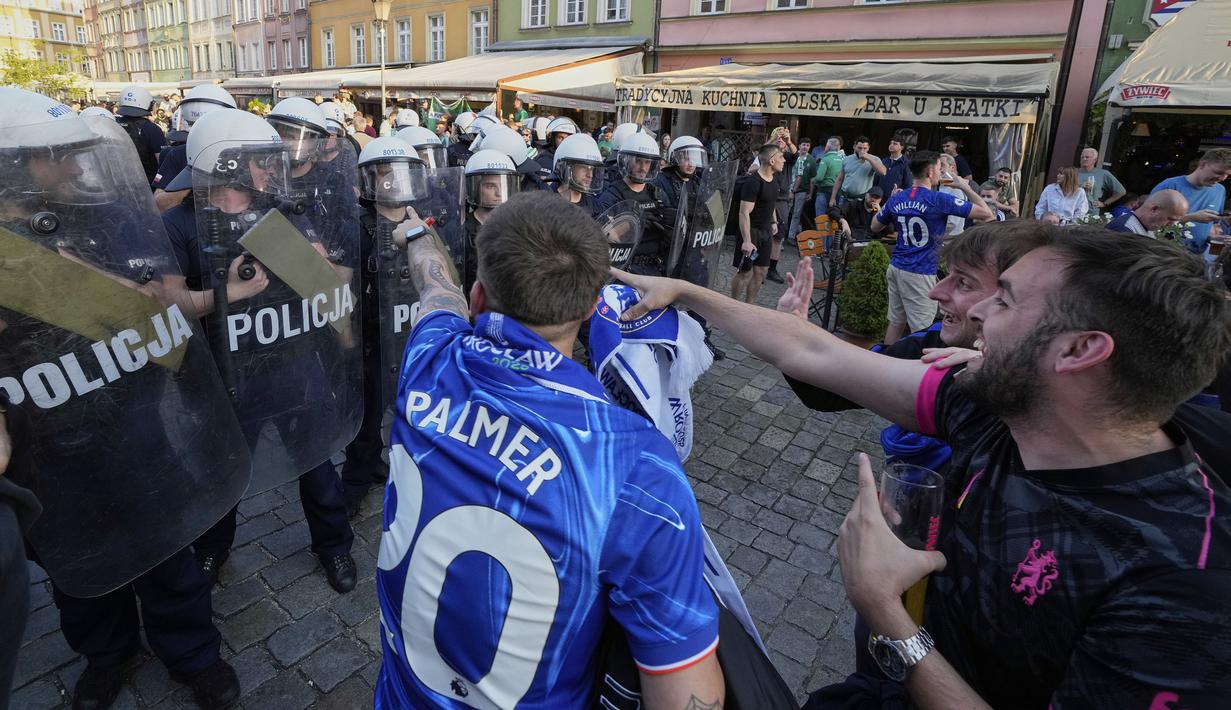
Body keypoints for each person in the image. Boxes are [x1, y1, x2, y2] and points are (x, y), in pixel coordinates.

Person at [615, 225, 1231, 709]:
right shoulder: (993, 408)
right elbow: (811, 350)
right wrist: (686, 291)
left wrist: (886, 612)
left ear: (1078, 350)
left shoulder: (1184, 584)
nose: (979, 312)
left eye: (1006, 299)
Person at [375, 191, 724, 708]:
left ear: (478, 298)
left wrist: (417, 235)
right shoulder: (637, 467)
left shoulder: (430, 357)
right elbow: (684, 693)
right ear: (590, 310)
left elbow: (435, 289)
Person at [2, 86, 241, 710]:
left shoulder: (100, 215)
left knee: (166, 543)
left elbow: (157, 301)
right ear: (19, 165)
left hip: (129, 412)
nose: (76, 168)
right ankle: (107, 654)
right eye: (61, 156)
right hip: (41, 433)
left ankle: (194, 652)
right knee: (79, 557)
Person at [163, 106, 359, 595]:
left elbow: (328, 288)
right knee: (224, 472)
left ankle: (334, 545)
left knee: (317, 464)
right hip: (226, 373)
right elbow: (168, 305)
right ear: (228, 163)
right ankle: (212, 551)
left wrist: (318, 265)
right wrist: (231, 293)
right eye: (259, 160)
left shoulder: (279, 213)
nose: (271, 169)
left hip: (292, 361)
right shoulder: (182, 224)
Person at [872, 150, 994, 344]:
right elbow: (988, 214)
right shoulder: (938, 199)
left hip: (896, 267)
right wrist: (965, 186)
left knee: (895, 322)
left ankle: (883, 358)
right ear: (929, 172)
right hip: (920, 272)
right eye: (939, 168)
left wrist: (890, 202)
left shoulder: (898, 197)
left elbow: (874, 226)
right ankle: (915, 364)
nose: (940, 172)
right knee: (922, 332)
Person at [152, 84, 236, 213]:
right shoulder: (178, 154)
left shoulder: (241, 154)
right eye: (194, 125)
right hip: (191, 218)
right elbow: (159, 204)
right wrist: (191, 178)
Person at [594, 132, 668, 276]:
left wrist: (671, 225)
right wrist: (630, 224)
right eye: (638, 161)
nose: (643, 168)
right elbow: (601, 236)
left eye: (647, 162)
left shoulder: (658, 195)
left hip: (655, 269)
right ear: (626, 161)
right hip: (623, 270)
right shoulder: (612, 195)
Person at [1151, 147, 1231, 256]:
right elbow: (1151, 221)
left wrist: (1216, 237)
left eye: (1227, 175)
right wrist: (1192, 217)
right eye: (1219, 172)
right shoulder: (1170, 186)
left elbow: (1211, 227)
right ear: (1203, 164)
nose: (1223, 178)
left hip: (1197, 257)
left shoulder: (1220, 190)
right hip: (1164, 254)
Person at [460, 149, 520, 293]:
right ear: (474, 188)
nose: (499, 193)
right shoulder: (461, 229)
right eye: (490, 186)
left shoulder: (519, 227)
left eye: (503, 185)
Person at [731, 142, 784, 304]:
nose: (784, 160)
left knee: (761, 271)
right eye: (781, 157)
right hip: (750, 232)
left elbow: (771, 202)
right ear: (772, 161)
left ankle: (749, 306)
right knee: (745, 272)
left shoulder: (775, 180)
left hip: (766, 232)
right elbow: (744, 212)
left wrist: (774, 221)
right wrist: (747, 241)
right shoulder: (753, 182)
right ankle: (733, 305)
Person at [115, 84, 167, 186]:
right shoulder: (151, 129)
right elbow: (162, 163)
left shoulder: (113, 124)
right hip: (145, 184)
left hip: (119, 182)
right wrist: (157, 185)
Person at [553, 132, 605, 213]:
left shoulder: (594, 205)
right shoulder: (547, 202)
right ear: (565, 167)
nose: (590, 175)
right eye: (584, 168)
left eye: (592, 169)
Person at [831, 135, 886, 211]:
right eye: (859, 148)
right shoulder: (847, 159)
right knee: (840, 216)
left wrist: (868, 158)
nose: (862, 151)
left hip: (861, 199)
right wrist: (832, 198)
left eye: (865, 148)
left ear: (868, 148)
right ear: (854, 146)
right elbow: (839, 179)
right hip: (844, 197)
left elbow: (883, 172)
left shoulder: (874, 159)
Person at [1106, 189, 1189, 236]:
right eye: (1170, 219)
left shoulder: (1145, 227)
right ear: (1154, 209)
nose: (1172, 224)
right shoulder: (1123, 229)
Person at [1076, 147, 1126, 215]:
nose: (1084, 159)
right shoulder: (1073, 173)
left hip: (1091, 213)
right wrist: (1081, 186)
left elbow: (1121, 191)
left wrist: (1104, 203)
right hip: (1073, 210)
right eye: (1082, 157)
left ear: (1095, 160)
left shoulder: (1103, 174)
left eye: (1087, 157)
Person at [787, 136, 816, 244]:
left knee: (796, 214)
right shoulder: (793, 156)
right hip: (788, 188)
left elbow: (812, 178)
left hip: (802, 190)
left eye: (808, 145)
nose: (805, 147)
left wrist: (810, 193)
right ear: (799, 145)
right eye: (803, 144)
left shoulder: (811, 160)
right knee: (785, 212)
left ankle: (791, 236)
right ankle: (781, 235)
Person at [811, 136, 844, 220]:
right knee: (834, 218)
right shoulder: (843, 159)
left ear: (828, 147)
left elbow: (819, 178)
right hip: (838, 193)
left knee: (821, 219)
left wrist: (813, 180)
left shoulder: (825, 159)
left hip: (824, 192)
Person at [877, 129, 915, 197]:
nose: (891, 145)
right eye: (890, 143)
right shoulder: (884, 161)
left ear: (902, 147)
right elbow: (876, 179)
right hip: (879, 196)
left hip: (896, 197)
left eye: (895, 144)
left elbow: (908, 183)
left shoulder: (906, 163)